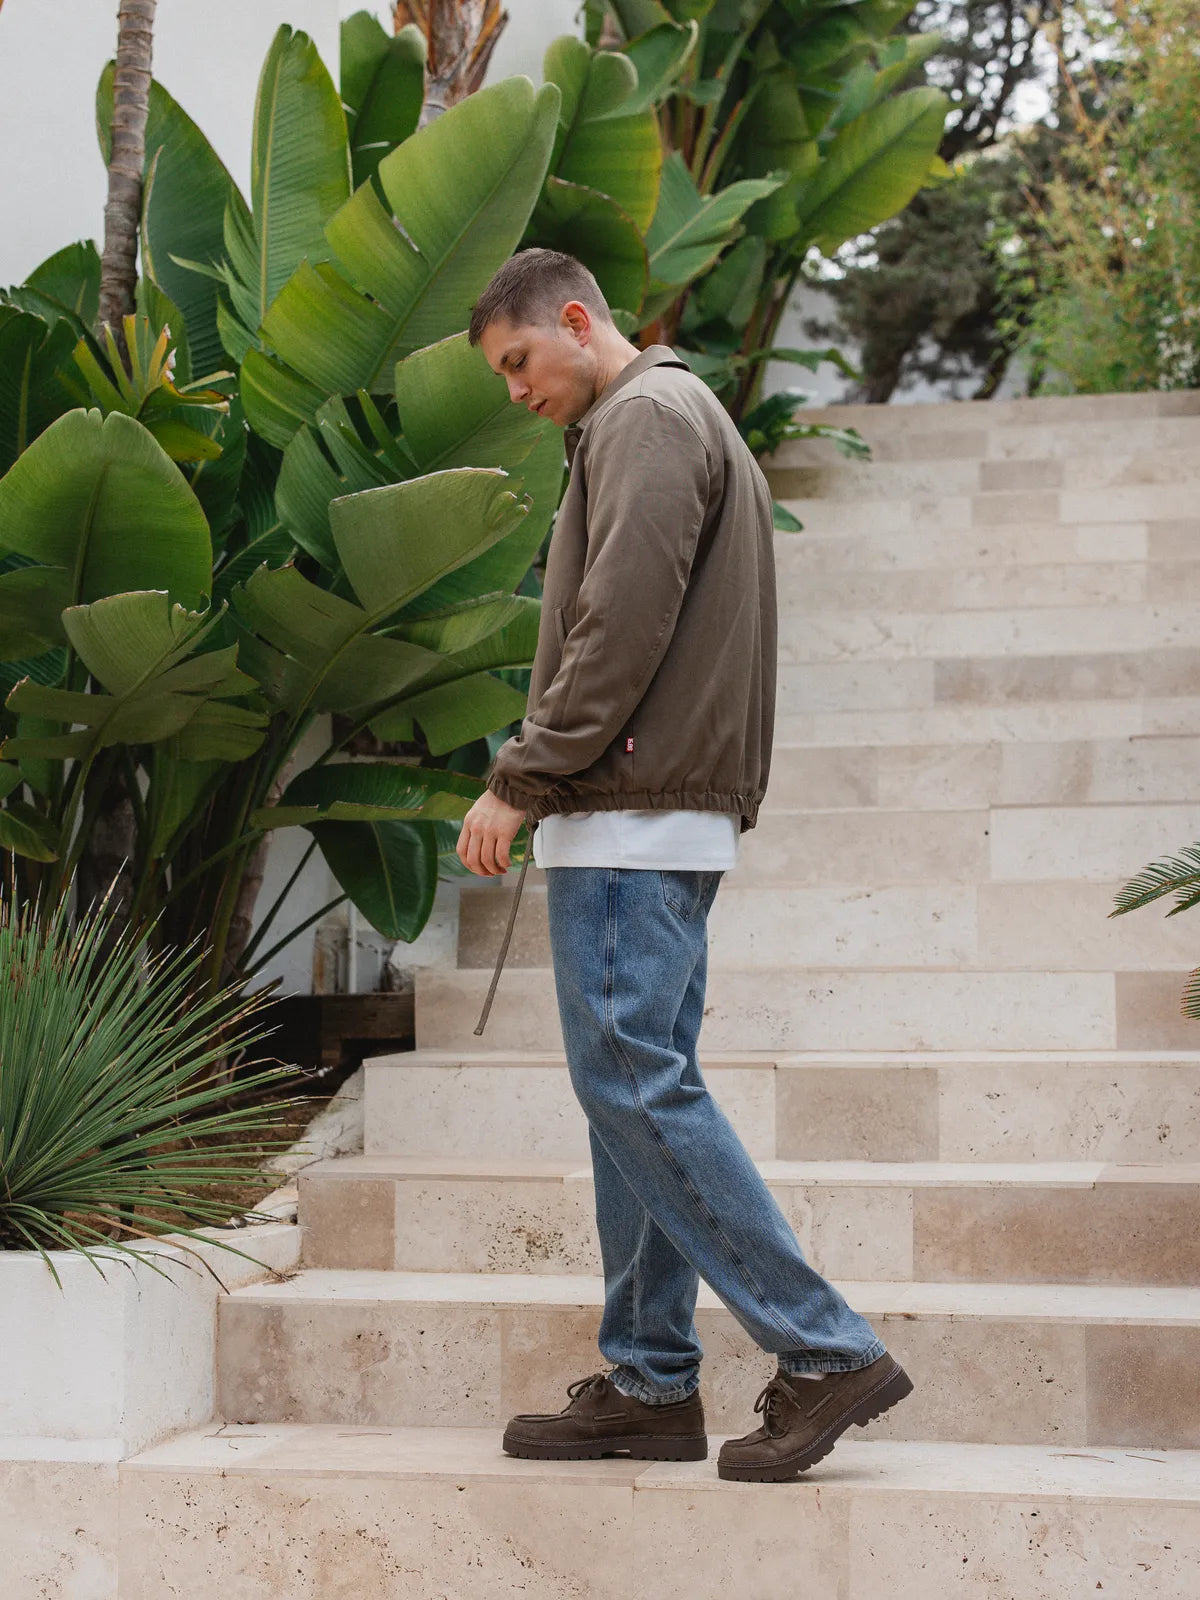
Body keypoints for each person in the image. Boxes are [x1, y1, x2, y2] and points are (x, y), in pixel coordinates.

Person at [455, 248, 911, 1482]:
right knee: (630, 1098)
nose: (515, 391)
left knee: (637, 1089)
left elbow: (621, 626)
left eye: (517, 363)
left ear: (573, 319)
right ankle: (652, 1382)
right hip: (647, 808)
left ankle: (823, 1350)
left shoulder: (647, 416)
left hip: (632, 808)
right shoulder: (648, 416)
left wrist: (522, 773)